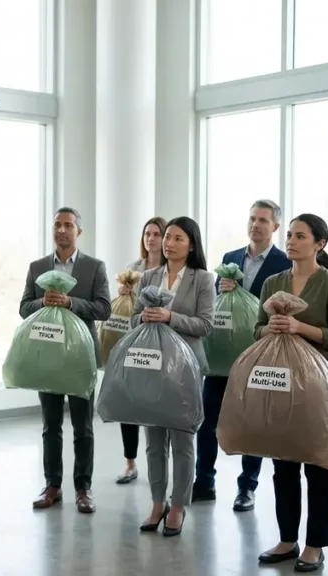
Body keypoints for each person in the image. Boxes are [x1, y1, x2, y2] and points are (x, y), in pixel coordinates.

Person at [253, 213, 328, 572]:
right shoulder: (272, 282)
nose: (291, 241)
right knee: (282, 461)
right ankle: (287, 539)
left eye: (300, 236)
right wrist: (271, 330)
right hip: (280, 381)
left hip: (319, 384)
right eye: (290, 235)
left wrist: (299, 326)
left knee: (318, 464)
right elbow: (256, 329)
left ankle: (314, 544)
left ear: (320, 243)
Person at [193, 199, 291, 511]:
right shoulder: (230, 257)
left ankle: (246, 487)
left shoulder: (284, 262)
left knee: (254, 422)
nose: (255, 225)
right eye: (252, 218)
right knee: (207, 418)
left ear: (275, 226)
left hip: (260, 353)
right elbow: (220, 304)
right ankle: (203, 481)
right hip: (223, 356)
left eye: (263, 220)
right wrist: (222, 289)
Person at [19, 207, 111, 514]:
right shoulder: (37, 267)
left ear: (78, 232)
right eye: (57, 224)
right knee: (50, 425)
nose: (61, 230)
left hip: (81, 358)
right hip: (47, 357)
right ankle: (52, 486)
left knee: (83, 426)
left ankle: (83, 488)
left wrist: (72, 302)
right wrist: (41, 302)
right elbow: (23, 308)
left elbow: (103, 309)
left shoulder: (95, 267)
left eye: (68, 225)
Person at [131, 216, 215, 537]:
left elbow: (205, 325)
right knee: (153, 441)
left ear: (191, 245)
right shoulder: (148, 276)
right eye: (167, 237)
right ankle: (156, 503)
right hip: (152, 365)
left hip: (186, 368)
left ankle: (177, 506)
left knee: (182, 438)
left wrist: (170, 316)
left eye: (178, 238)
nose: (169, 243)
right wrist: (144, 317)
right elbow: (133, 322)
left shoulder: (203, 279)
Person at [114, 216, 167, 485]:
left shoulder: (171, 269)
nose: (152, 238)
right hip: (134, 342)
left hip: (162, 346)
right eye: (148, 233)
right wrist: (124, 292)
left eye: (157, 233)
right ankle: (130, 462)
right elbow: (128, 311)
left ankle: (161, 464)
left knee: (159, 403)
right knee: (129, 402)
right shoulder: (132, 269)